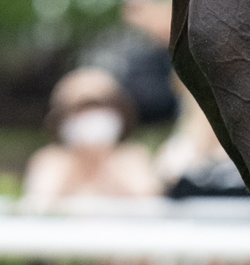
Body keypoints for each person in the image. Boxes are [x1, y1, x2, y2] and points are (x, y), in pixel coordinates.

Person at [20, 67, 161, 207]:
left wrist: (104, 161)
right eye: (81, 110)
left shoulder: (132, 157)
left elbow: (150, 202)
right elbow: (39, 202)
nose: (91, 118)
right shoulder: (51, 159)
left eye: (100, 108)